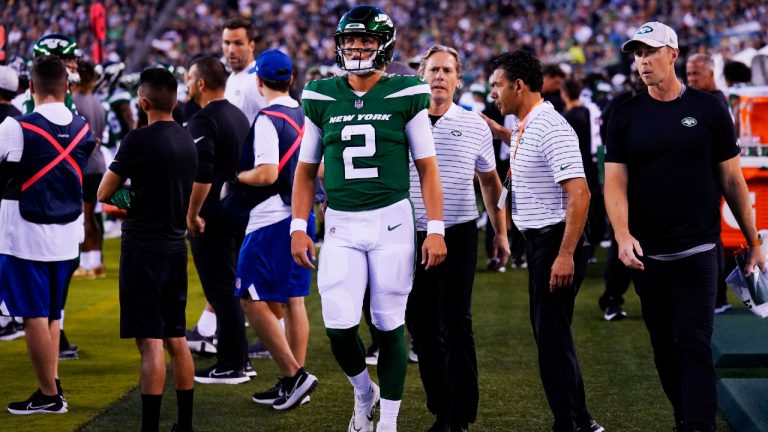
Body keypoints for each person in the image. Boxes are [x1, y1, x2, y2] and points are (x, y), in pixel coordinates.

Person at [604, 22, 766, 432]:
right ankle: (684, 417)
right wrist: (622, 237)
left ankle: (698, 426)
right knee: (664, 349)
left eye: (650, 52)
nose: (642, 61)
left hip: (698, 251)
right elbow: (615, 183)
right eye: (637, 53)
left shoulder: (711, 109)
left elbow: (733, 180)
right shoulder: (622, 113)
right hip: (647, 257)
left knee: (693, 343)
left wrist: (753, 241)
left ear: (673, 54)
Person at [291, 5, 446, 432]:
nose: (356, 48)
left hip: (391, 221)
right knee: (339, 327)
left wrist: (435, 228)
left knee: (389, 324)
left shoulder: (406, 91)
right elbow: (305, 171)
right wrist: (298, 226)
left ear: (383, 46)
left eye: (366, 41)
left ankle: (389, 422)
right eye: (349, 41)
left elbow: (428, 167)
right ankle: (363, 392)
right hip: (340, 221)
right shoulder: (321, 94)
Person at [486, 50, 603, 432]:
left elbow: (580, 194)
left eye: (497, 86)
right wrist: (499, 131)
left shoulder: (550, 126)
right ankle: (580, 421)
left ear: (518, 86)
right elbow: (524, 142)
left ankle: (569, 424)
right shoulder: (527, 123)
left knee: (551, 342)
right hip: (544, 242)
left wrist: (565, 254)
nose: (493, 95)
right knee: (554, 338)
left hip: (555, 242)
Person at [405, 45, 510, 432]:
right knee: (420, 325)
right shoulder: (403, 122)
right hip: (411, 232)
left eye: (447, 70)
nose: (439, 77)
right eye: (433, 70)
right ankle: (440, 405)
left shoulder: (473, 124)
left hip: (460, 230)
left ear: (459, 80)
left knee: (456, 321)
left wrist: (500, 231)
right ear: (421, 75)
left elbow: (489, 180)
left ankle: (458, 416)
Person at [97, 67, 197, 432]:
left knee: (150, 341)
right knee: (176, 336)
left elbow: (104, 193)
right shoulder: (188, 139)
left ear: (142, 102)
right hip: (175, 245)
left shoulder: (137, 140)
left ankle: (150, 428)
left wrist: (132, 199)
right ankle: (184, 424)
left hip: (142, 247)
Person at [0, 55, 96, 414]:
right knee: (54, 313)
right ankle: (52, 385)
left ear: (30, 88)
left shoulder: (15, 127)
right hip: (68, 235)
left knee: (34, 316)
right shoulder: (84, 127)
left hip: (24, 235)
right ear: (67, 87)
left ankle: (49, 395)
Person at [235, 49, 319, 410]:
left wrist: (235, 176)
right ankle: (293, 381)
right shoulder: (305, 114)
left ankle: (294, 375)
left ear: (258, 81)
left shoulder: (268, 118)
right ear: (291, 78)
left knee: (249, 296)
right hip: (303, 215)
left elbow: (267, 173)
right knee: (294, 298)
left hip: (271, 217)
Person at [182, 56, 252, 385]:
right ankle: (239, 359)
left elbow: (202, 171)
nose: (185, 83)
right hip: (236, 211)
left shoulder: (203, 119)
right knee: (230, 288)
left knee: (221, 290)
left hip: (212, 217)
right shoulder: (237, 115)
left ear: (200, 83)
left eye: (188, 77)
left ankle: (232, 363)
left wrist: (193, 213)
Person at [686, 53, 732, 314]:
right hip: (705, 176)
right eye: (689, 74)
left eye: (696, 75)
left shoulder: (715, 102)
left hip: (710, 177)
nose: (691, 79)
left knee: (710, 238)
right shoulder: (709, 100)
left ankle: (718, 298)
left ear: (711, 74)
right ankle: (716, 297)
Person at [71, 59, 107, 280]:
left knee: (84, 215)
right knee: (91, 215)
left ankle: (85, 264)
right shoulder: (97, 101)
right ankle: (96, 262)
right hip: (99, 162)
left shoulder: (75, 101)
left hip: (85, 163)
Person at [560, 79, 602, 265]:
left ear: (565, 93)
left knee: (576, 210)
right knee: (589, 210)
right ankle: (590, 249)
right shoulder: (586, 111)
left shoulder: (568, 117)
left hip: (575, 168)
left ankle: (579, 249)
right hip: (589, 165)